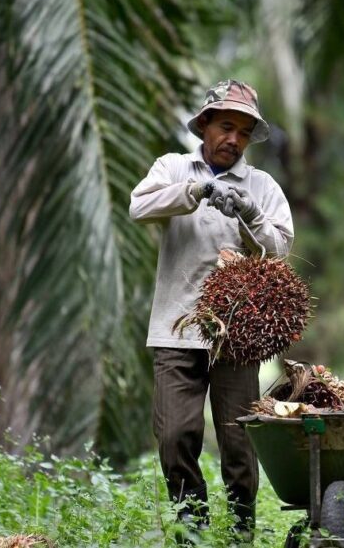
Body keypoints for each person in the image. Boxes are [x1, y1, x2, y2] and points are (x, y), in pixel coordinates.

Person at [129, 80, 294, 541]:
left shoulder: (261, 187)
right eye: (226, 126)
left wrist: (249, 214)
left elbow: (280, 250)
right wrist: (196, 190)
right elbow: (138, 205)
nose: (234, 140)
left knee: (240, 446)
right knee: (175, 437)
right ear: (204, 125)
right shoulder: (172, 167)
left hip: (236, 338)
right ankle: (193, 531)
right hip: (174, 332)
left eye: (243, 132)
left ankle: (240, 534)